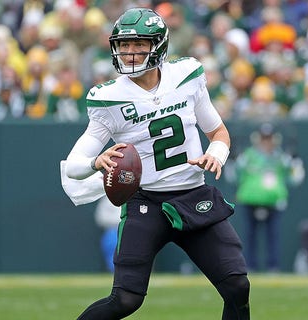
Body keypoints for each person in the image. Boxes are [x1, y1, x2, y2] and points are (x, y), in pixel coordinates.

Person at [64, 8, 250, 320]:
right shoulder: (109, 98)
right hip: (146, 202)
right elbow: (74, 165)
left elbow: (218, 132)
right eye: (124, 45)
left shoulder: (186, 75)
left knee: (237, 286)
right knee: (126, 300)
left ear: (159, 46)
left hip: (194, 195)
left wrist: (215, 155)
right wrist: (97, 161)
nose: (130, 53)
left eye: (139, 45)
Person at [231, 123, 304, 272]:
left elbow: (295, 179)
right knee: (249, 236)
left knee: (273, 236)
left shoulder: (282, 157)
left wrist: (296, 164)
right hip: (249, 200)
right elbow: (233, 177)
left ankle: (273, 266)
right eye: (263, 138)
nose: (266, 142)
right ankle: (249, 266)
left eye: (269, 138)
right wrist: (232, 162)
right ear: (257, 139)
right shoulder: (247, 156)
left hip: (274, 201)